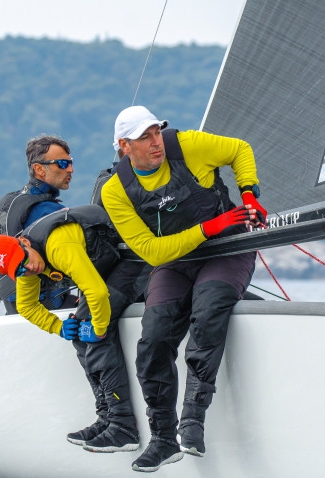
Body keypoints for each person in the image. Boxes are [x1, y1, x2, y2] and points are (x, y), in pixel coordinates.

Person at [101, 105, 265, 472]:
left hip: (228, 248)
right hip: (175, 259)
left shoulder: (188, 145)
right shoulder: (116, 191)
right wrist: (207, 228)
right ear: (124, 146)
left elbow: (240, 149)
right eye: (144, 137)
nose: (155, 141)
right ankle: (162, 439)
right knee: (154, 338)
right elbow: (151, 251)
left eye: (156, 132)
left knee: (207, 313)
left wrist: (249, 195)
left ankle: (193, 419)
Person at [0, 204, 148, 453]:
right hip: (108, 265)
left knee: (93, 336)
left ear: (24, 243)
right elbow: (27, 307)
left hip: (135, 253)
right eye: (19, 270)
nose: (29, 269)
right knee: (80, 335)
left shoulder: (57, 246)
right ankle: (107, 417)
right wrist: (59, 327)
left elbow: (96, 292)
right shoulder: (28, 269)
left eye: (24, 261)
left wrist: (99, 329)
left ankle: (123, 426)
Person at [0, 134, 77, 314]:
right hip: (47, 305)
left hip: (12, 305)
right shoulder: (48, 210)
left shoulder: (7, 201)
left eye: (70, 162)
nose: (70, 169)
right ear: (39, 169)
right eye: (62, 164)